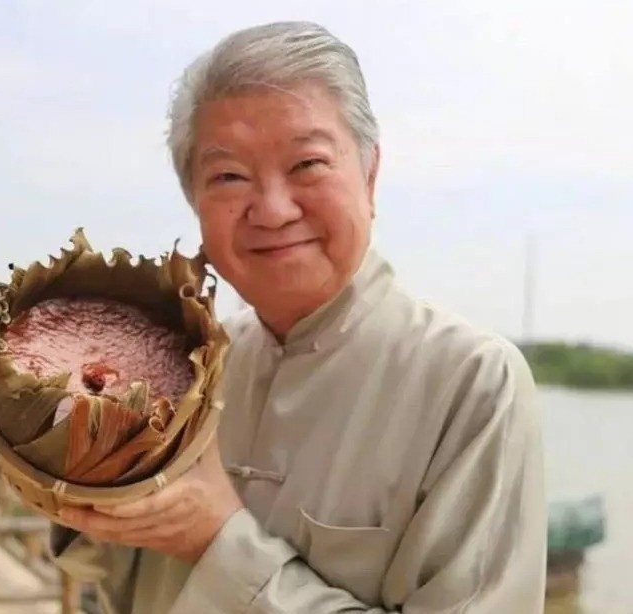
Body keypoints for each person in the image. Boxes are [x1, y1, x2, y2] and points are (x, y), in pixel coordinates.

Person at [48, 21, 547, 614]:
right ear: (194, 202)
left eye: (307, 164)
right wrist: (71, 472)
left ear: (369, 176)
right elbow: (117, 580)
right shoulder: (185, 368)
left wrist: (215, 542)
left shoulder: (472, 383)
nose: (273, 210)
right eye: (229, 176)